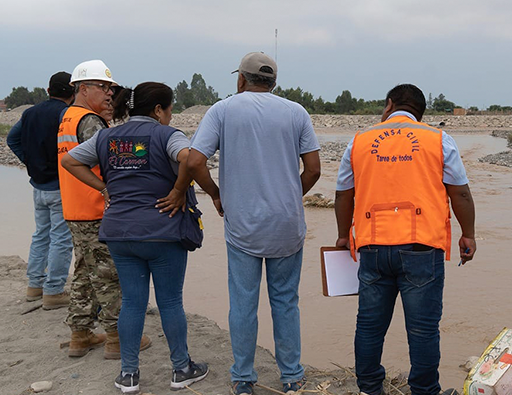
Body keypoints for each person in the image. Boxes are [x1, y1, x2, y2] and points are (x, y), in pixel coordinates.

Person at [62, 82, 209, 394]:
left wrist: (104, 188)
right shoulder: (168, 135)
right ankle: (181, 368)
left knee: (131, 300)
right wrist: (178, 190)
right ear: (158, 110)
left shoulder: (106, 136)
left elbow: (70, 161)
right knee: (170, 301)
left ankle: (128, 374)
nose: (170, 115)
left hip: (118, 232)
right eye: (169, 109)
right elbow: (188, 159)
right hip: (162, 231)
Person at [187, 52, 321, 395]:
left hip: (243, 224)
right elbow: (314, 169)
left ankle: (243, 378)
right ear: (273, 82)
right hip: (286, 225)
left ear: (241, 79)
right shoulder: (296, 112)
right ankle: (291, 376)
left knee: (244, 302)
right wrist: (291, 195)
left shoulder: (223, 110)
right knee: (286, 301)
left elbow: (194, 160)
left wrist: (217, 194)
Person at [334, 84, 476, 395]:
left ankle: (370, 388)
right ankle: (424, 390)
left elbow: (344, 194)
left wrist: (344, 236)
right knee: (423, 330)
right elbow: (460, 192)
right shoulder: (439, 140)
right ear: (419, 113)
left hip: (372, 248)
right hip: (422, 248)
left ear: (389, 105)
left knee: (370, 327)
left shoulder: (359, 141)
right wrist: (468, 233)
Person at [57, 59, 150, 359]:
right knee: (108, 276)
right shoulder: (89, 121)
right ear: (83, 89)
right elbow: (112, 160)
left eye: (110, 88)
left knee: (84, 272)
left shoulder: (68, 117)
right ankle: (117, 339)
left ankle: (80, 335)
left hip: (75, 208)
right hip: (95, 209)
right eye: (103, 87)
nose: (110, 93)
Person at [6, 71, 74, 309]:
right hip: (61, 185)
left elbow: (11, 140)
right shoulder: (67, 115)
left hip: (39, 185)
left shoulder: (30, 113)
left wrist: (30, 161)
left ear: (48, 91)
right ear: (74, 91)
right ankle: (54, 290)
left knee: (41, 235)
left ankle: (35, 286)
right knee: (62, 239)